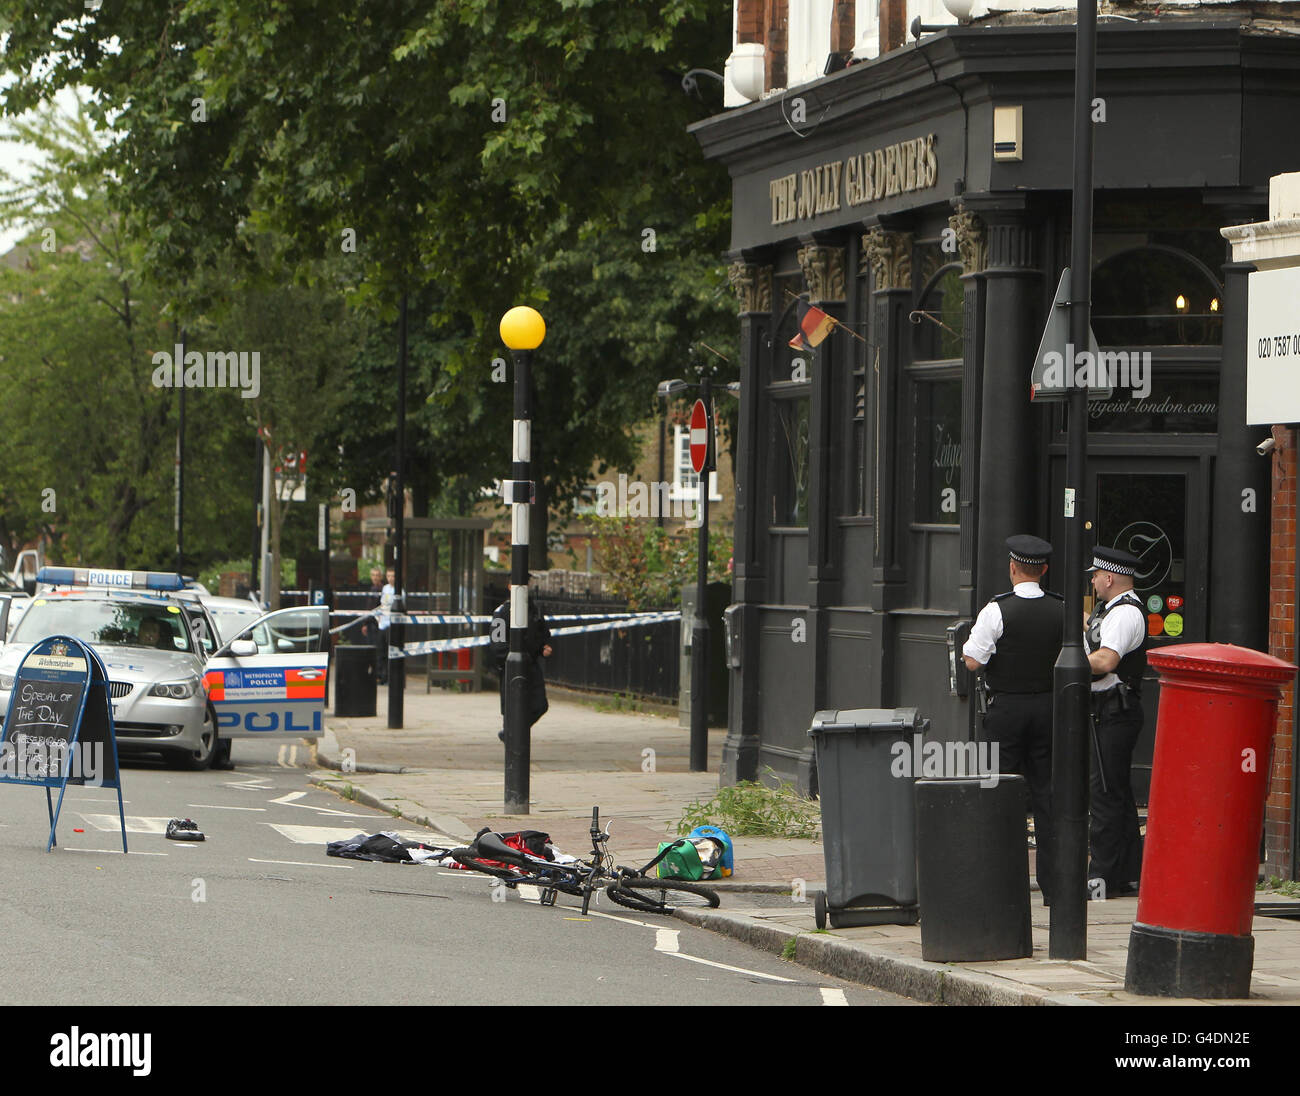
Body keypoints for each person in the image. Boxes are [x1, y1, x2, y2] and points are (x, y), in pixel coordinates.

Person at [962, 534, 1064, 905]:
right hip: (1050, 711)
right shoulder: (1062, 609)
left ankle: (1003, 885)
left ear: (1012, 568)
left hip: (1006, 712)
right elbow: (1080, 658)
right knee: (1048, 798)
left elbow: (973, 660)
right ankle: (1054, 889)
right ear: (1045, 570)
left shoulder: (996, 610)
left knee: (1001, 793)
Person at [1084, 546, 1148, 900]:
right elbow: (1094, 631)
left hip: (1115, 709)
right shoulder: (1108, 611)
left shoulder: (1125, 614)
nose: (1092, 581)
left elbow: (1107, 659)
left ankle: (1101, 878)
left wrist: (1071, 660)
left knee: (1105, 794)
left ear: (1109, 578)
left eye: (1095, 575)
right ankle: (1127, 872)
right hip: (1105, 709)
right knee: (1117, 793)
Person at [489, 592, 553, 742]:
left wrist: (543, 647)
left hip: (532, 665)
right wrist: (509, 660)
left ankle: (511, 733)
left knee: (540, 705)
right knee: (511, 709)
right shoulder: (503, 611)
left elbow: (543, 633)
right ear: (510, 586)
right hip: (511, 667)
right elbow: (497, 643)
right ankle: (512, 740)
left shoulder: (533, 609)